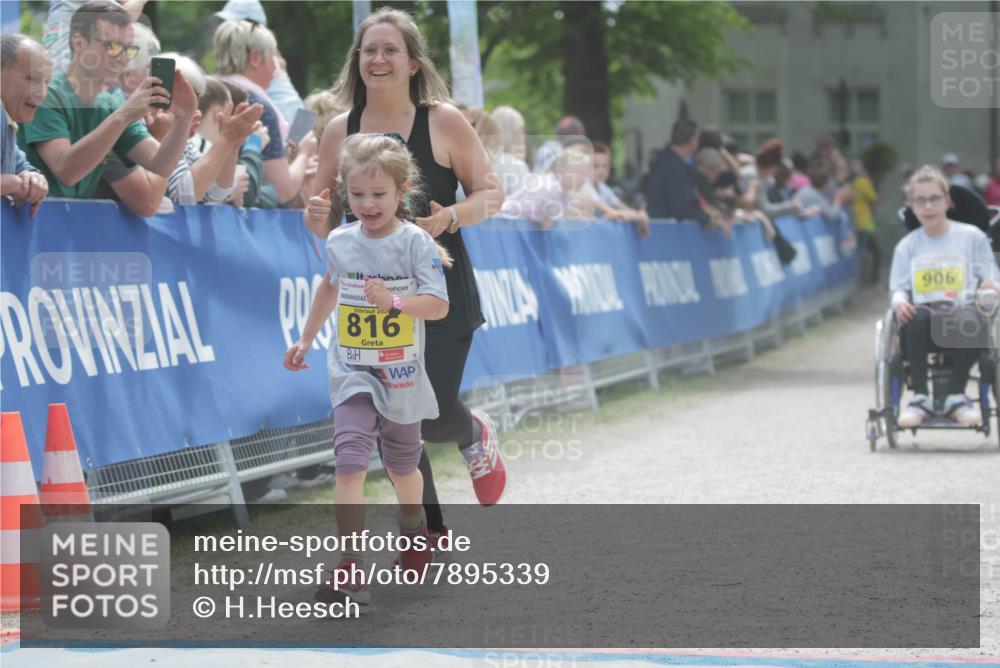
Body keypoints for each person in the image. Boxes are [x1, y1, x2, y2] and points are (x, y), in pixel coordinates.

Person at [303, 8, 507, 525]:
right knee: (400, 419)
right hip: (370, 302)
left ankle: (474, 433)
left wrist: (450, 219)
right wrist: (315, 216)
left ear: (413, 63)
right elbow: (325, 219)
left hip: (438, 292)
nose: (378, 59)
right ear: (357, 61)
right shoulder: (338, 130)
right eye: (369, 50)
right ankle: (425, 530)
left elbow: (492, 195)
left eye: (390, 50)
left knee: (433, 419)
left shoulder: (443, 120)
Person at [285, 134, 451, 606]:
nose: (367, 204)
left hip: (400, 373)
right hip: (351, 370)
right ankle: (350, 565)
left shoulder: (415, 242)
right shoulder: (340, 240)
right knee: (350, 461)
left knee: (402, 465)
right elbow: (329, 287)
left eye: (379, 195)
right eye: (357, 195)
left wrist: (394, 301)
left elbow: (438, 306)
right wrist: (304, 337)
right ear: (344, 192)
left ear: (402, 192)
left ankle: (415, 531)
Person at [17, 0, 197, 200]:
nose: (122, 58)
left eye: (128, 50)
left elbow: (161, 164)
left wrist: (184, 117)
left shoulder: (112, 105)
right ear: (78, 42)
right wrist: (124, 115)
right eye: (112, 47)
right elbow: (67, 171)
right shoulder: (47, 94)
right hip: (27, 223)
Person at [889, 165, 1000, 428]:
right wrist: (900, 302)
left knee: (971, 317)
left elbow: (992, 278)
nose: (928, 206)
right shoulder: (907, 246)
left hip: (964, 313)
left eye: (935, 198)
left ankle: (955, 397)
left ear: (948, 201)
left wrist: (989, 288)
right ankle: (920, 399)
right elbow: (898, 288)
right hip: (924, 316)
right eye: (921, 200)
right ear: (912, 206)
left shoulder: (972, 237)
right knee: (914, 318)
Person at [213, 18, 314, 205]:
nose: (275, 68)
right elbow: (282, 189)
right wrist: (304, 154)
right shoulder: (258, 107)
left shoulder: (206, 91)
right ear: (256, 58)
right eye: (272, 58)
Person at [1, 35, 51, 216]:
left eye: (47, 82)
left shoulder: (7, 121)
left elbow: (22, 166)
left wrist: (32, 177)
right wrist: (15, 183)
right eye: (32, 79)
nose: (42, 93)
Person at [643, 118, 717, 227]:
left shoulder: (662, 161)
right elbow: (682, 207)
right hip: (670, 234)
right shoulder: (677, 168)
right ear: (692, 140)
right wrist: (707, 219)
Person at [500, 146, 595, 228]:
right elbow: (544, 224)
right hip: (503, 224)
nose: (583, 179)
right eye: (578, 173)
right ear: (560, 171)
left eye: (585, 175)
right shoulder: (549, 188)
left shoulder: (564, 195)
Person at [850, 157, 881, 284]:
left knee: (860, 252)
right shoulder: (864, 182)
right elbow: (874, 199)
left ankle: (860, 279)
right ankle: (867, 280)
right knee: (874, 252)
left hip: (855, 223)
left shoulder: (851, 183)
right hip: (865, 223)